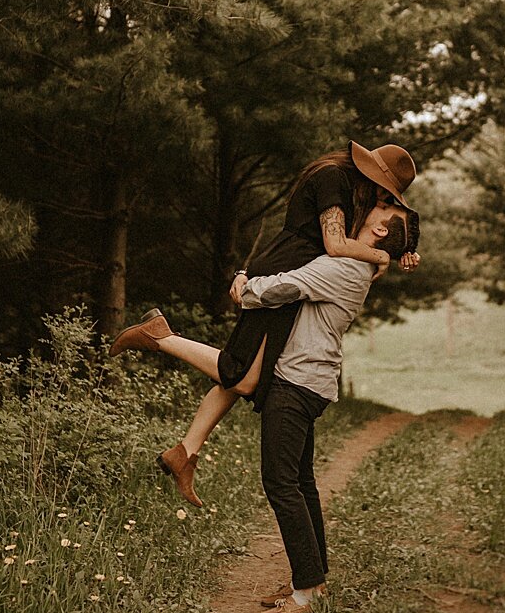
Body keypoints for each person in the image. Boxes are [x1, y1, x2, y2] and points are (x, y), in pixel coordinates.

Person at [115, 201, 419, 613]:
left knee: (280, 482)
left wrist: (245, 285)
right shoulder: (357, 265)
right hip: (309, 380)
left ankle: (307, 591)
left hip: (296, 383)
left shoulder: (344, 269)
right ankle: (313, 578)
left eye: (382, 208)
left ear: (382, 232)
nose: (371, 205)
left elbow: (280, 288)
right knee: (301, 481)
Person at [110, 142, 420, 507]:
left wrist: (407, 248)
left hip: (295, 277)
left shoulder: (353, 192)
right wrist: (381, 254)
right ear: (373, 174)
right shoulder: (333, 178)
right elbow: (335, 245)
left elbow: (396, 226)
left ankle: (184, 453)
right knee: (239, 374)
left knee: (246, 378)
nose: (386, 200)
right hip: (283, 278)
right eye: (387, 193)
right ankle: (160, 336)